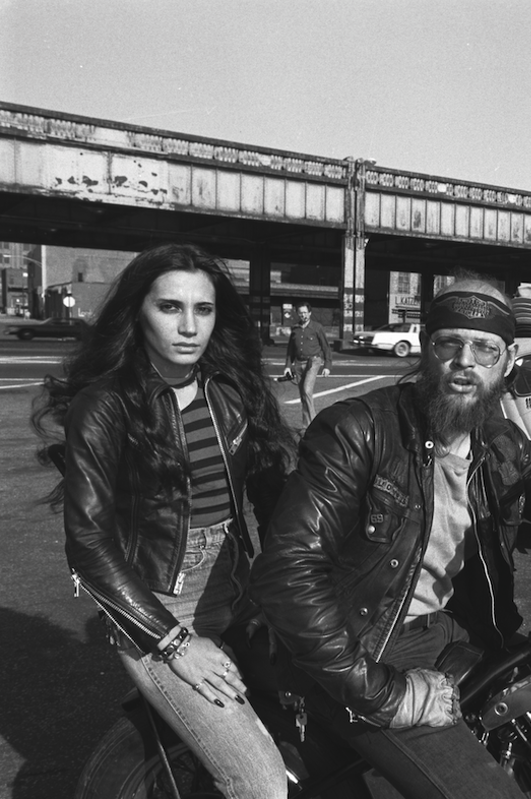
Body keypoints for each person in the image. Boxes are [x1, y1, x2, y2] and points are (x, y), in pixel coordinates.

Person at [249, 275, 531, 799]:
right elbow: (288, 572)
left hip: (460, 633)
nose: (465, 361)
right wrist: (380, 691)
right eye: (449, 344)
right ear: (427, 347)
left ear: (507, 358)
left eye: (484, 348)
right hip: (365, 645)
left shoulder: (498, 441)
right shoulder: (357, 429)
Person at [32, 243, 294, 799]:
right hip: (159, 606)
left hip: (239, 585)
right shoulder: (106, 405)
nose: (188, 326)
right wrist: (175, 643)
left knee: (322, 719)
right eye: (170, 308)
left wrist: (283, 592)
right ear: (139, 312)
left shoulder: (232, 390)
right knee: (262, 784)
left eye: (203, 310)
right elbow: (87, 543)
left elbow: (274, 501)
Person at [282, 301, 332, 428]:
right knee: (303, 395)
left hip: (313, 362)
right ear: (297, 314)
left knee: (307, 390)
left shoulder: (317, 327)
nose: (303, 315)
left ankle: (314, 423)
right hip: (298, 363)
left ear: (310, 313)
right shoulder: (295, 329)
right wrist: (288, 366)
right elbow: (290, 349)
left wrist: (327, 366)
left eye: (305, 312)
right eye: (300, 313)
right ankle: (306, 425)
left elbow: (326, 347)